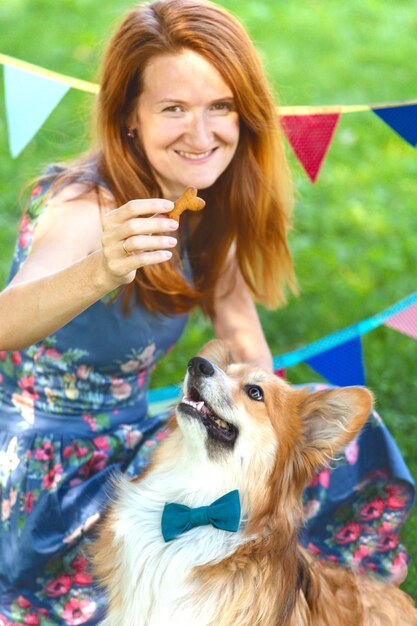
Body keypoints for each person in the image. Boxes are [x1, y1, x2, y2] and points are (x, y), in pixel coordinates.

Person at [0, 0, 414, 624]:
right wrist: (100, 270)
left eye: (220, 106)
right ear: (130, 119)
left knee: (341, 440)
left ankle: (305, 590)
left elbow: (238, 321)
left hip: (132, 430)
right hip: (50, 465)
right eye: (173, 108)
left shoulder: (198, 200)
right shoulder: (87, 207)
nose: (201, 134)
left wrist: (276, 423)